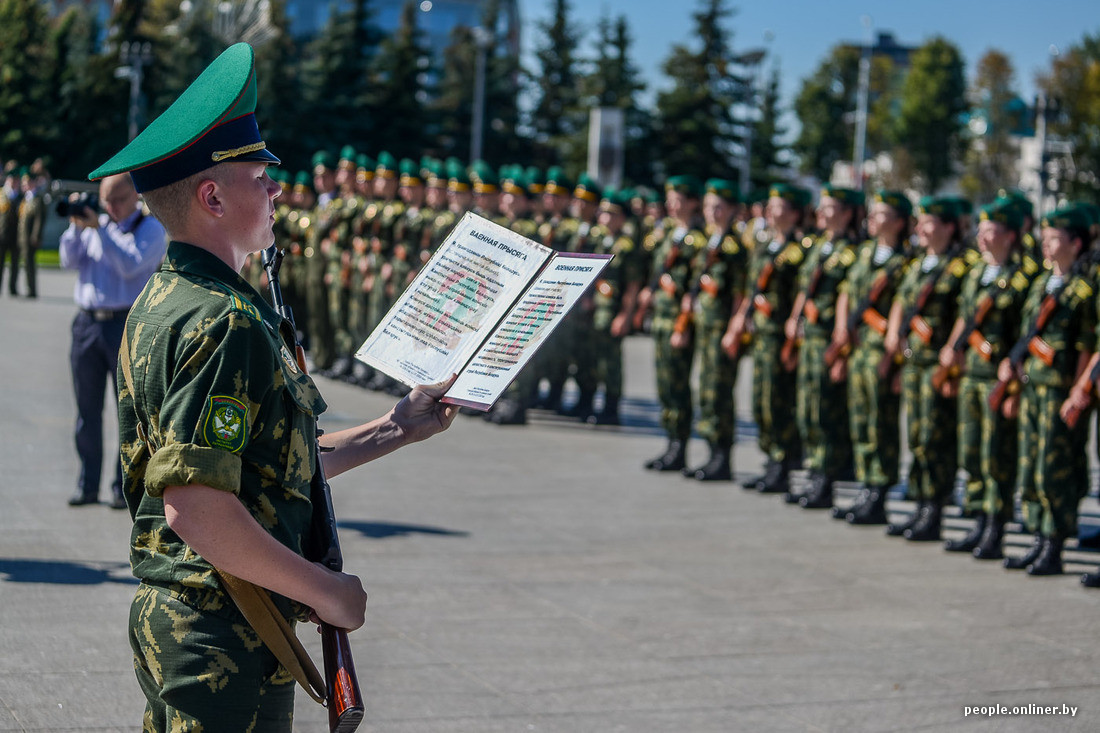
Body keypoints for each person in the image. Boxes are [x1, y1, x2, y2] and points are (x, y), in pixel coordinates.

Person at [90, 44, 457, 730]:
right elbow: (197, 507)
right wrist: (329, 592)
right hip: (223, 636)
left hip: (210, 628)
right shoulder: (222, 320)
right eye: (262, 176)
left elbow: (268, 462)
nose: (277, 190)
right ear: (213, 196)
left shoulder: (170, 297)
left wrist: (396, 426)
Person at [58, 173, 167, 508]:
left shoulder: (150, 228)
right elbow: (67, 260)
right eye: (106, 200)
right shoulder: (96, 225)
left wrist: (100, 230)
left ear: (135, 195)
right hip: (87, 323)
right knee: (86, 410)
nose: (110, 207)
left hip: (125, 323)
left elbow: (131, 266)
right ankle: (87, 483)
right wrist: (77, 226)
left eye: (118, 200)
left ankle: (125, 486)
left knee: (130, 413)